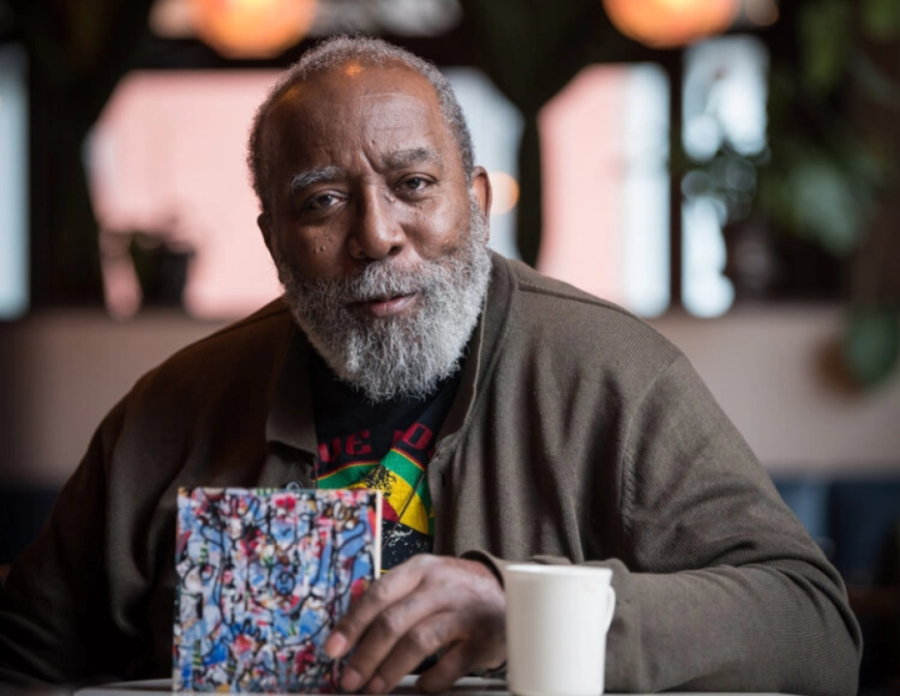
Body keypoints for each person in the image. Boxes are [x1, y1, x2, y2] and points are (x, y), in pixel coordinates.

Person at [0, 35, 860, 694]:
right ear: (273, 240)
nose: (377, 235)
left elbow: (815, 627)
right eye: (324, 201)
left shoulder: (612, 376)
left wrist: (525, 611)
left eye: (413, 185)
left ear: (477, 202)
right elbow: (24, 659)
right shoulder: (169, 414)